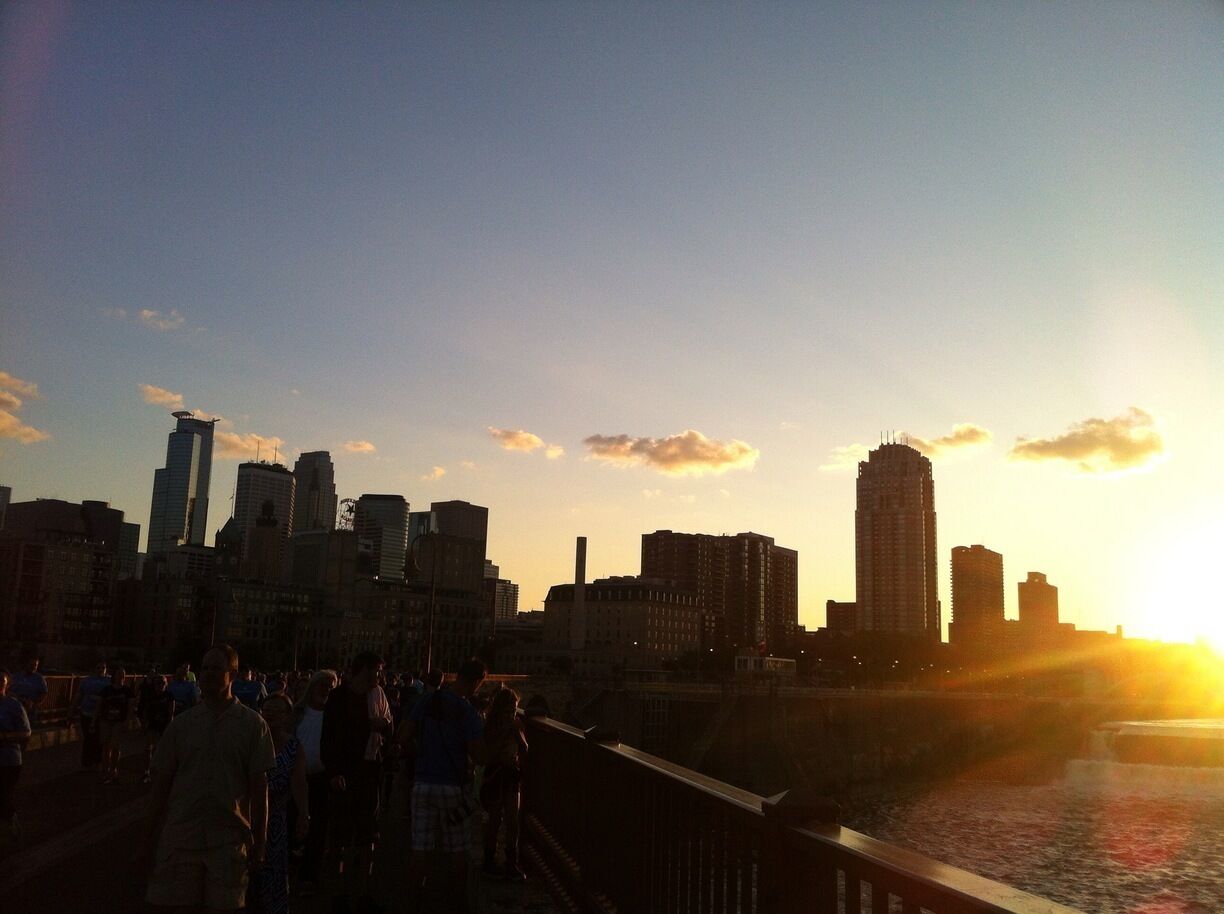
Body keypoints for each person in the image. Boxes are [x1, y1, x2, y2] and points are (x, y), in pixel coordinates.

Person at [137, 645, 276, 914]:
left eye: (216, 668)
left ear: (232, 674)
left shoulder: (252, 725)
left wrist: (260, 845)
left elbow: (260, 791)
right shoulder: (182, 725)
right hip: (181, 839)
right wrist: (146, 841)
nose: (208, 674)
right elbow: (161, 787)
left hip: (227, 841)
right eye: (205, 668)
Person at [401, 658, 487, 914]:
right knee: (457, 849)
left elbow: (404, 736)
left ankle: (414, 903)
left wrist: (423, 755)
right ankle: (456, 904)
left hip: (423, 783)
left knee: (420, 849)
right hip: (451, 786)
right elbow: (479, 755)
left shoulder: (427, 700)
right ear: (476, 682)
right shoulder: (466, 711)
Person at [321, 652, 390, 913]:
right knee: (339, 837)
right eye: (376, 671)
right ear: (363, 670)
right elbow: (328, 738)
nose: (380, 677)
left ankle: (363, 893)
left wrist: (383, 725)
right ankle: (339, 893)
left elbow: (388, 729)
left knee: (366, 836)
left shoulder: (379, 696)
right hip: (345, 775)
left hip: (370, 773)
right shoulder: (339, 699)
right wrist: (333, 772)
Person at [253, 693, 309, 914]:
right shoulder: (251, 742)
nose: (271, 715)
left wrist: (304, 814)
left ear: (288, 716)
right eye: (267, 710)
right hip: (247, 817)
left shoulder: (294, 747)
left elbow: (299, 784)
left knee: (273, 875)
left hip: (276, 821)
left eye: (278, 711)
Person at [293, 669, 337, 896]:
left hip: (321, 779)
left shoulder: (334, 717)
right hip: (296, 778)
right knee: (294, 824)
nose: (326, 690)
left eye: (330, 687)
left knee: (318, 829)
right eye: (322, 685)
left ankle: (310, 876)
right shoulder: (298, 713)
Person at [480, 687, 528, 879]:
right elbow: (488, 753)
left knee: (513, 820)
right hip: (497, 774)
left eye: (515, 710)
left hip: (511, 774)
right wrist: (504, 733)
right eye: (510, 710)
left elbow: (524, 749)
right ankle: (490, 859)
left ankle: (511, 861)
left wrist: (516, 733)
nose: (513, 713)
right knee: (495, 819)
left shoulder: (516, 724)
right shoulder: (491, 726)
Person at [0, 670, 32, 852]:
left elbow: (26, 732)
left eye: (1, 683)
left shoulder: (13, 705)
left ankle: (12, 822)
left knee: (3, 795)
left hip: (9, 760)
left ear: (6, 686)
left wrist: (5, 736)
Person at [97, 666, 135, 783]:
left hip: (119, 721)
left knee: (115, 746)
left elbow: (130, 707)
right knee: (105, 746)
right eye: (118, 673)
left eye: (122, 674)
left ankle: (113, 769)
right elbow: (100, 704)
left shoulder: (127, 691)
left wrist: (127, 721)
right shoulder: (106, 690)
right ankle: (105, 769)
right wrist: (95, 720)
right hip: (106, 720)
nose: (120, 676)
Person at [137, 674, 175, 784]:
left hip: (163, 725)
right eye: (158, 683)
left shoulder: (169, 696)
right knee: (147, 749)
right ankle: (147, 771)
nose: (160, 685)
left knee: (161, 750)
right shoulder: (150, 696)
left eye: (162, 683)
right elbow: (145, 710)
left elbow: (170, 712)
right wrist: (143, 724)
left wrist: (169, 726)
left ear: (166, 684)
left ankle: (160, 772)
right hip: (151, 725)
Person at [77, 661, 110, 770]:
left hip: (101, 714)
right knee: (88, 738)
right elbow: (80, 694)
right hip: (86, 712)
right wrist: (72, 709)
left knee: (98, 738)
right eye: (98, 667)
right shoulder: (87, 680)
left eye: (103, 667)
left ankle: (97, 761)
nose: (100, 670)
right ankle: (86, 763)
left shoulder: (109, 681)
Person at [10, 656, 48, 726]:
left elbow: (44, 694)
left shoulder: (39, 678)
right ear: (26, 664)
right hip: (16, 703)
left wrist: (34, 703)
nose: (33, 667)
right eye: (31, 664)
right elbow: (9, 689)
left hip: (30, 706)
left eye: (35, 665)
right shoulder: (17, 676)